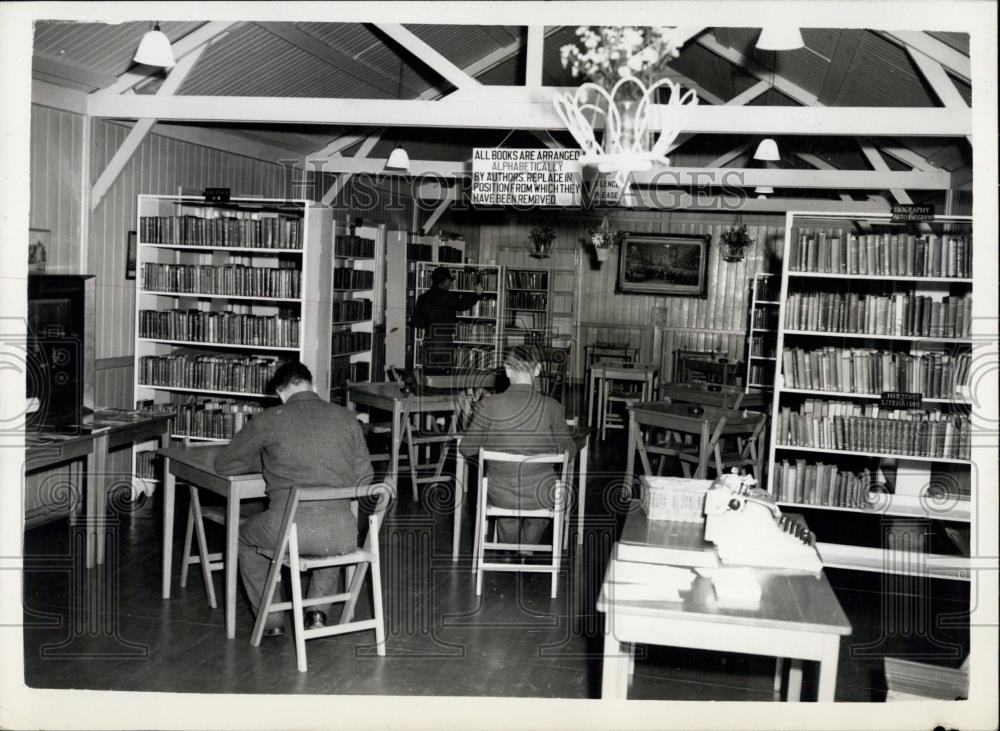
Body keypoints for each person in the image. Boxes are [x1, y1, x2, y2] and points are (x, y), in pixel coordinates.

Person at [215, 361, 373, 636]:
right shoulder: (346, 417)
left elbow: (226, 465)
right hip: (344, 534)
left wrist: (267, 461)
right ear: (311, 385)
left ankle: (272, 620)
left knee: (242, 538)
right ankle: (317, 612)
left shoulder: (269, 419)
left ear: (280, 391)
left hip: (288, 530)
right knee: (329, 525)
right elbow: (365, 477)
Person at [459, 345, 578, 547]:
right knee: (544, 503)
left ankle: (508, 547)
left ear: (507, 370)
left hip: (500, 494)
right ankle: (527, 548)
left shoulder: (489, 405)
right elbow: (569, 452)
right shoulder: (552, 406)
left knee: (507, 505)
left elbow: (466, 449)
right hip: (542, 494)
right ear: (538, 369)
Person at [410, 265, 484, 371]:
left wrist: (430, 323)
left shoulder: (422, 298)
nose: (450, 283)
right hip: (443, 342)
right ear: (445, 281)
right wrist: (477, 294)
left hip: (428, 341)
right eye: (449, 280)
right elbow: (463, 305)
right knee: (443, 379)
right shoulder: (448, 297)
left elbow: (416, 321)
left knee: (428, 377)